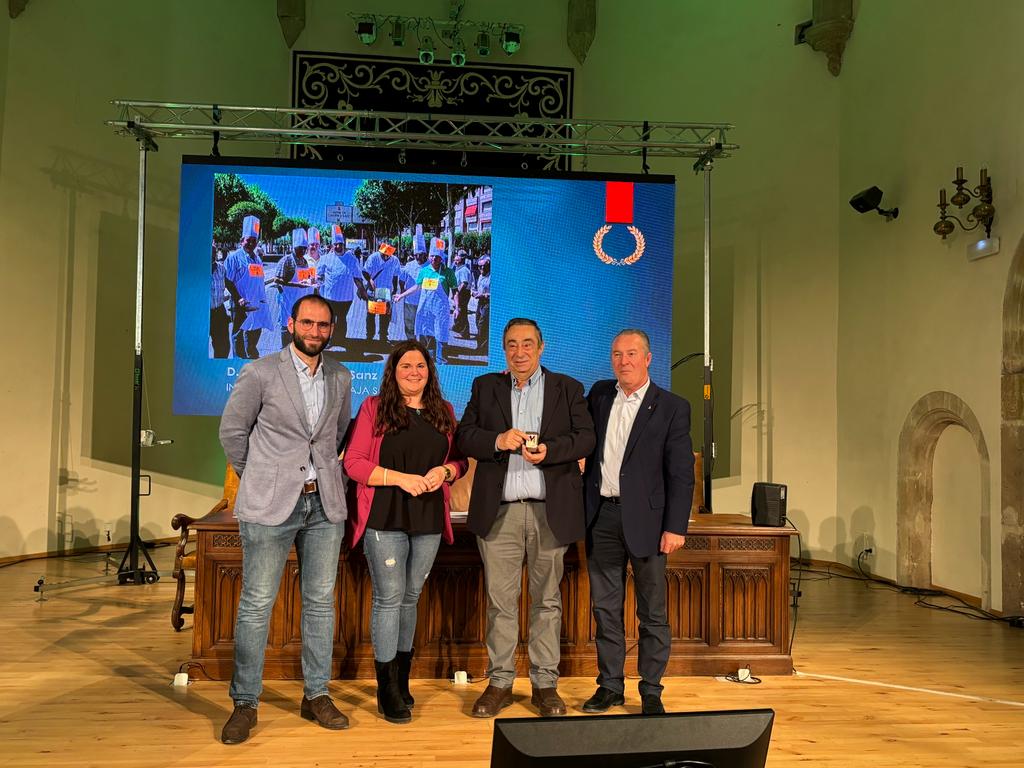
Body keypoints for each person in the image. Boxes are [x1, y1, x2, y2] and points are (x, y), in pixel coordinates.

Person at [217, 294, 354, 744]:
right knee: (257, 605)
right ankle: (245, 702)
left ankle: (316, 695)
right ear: (291, 324)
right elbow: (233, 433)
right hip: (270, 506)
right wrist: (259, 477)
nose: (315, 332)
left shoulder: (341, 376)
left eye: (323, 326)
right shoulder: (260, 372)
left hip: (324, 506)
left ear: (331, 330)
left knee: (319, 603)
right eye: (308, 323)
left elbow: (337, 436)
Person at [455, 318, 595, 718]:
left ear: (541, 347)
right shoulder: (486, 387)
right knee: (501, 603)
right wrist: (497, 441)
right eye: (512, 345)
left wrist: (550, 451)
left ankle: (545, 684)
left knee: (547, 601)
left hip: (550, 513)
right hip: (499, 514)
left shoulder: (567, 388)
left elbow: (586, 437)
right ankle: (499, 682)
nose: (520, 352)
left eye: (527, 344)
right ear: (504, 349)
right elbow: (465, 435)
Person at [343, 340, 468, 724]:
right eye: (405, 366)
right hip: (385, 514)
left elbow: (459, 461)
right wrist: (402, 480)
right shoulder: (373, 408)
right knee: (389, 597)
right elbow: (354, 464)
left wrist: (444, 472)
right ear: (392, 372)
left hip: (429, 515)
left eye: (420, 366)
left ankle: (401, 678)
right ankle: (386, 690)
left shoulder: (444, 411)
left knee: (411, 597)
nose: (414, 372)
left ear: (429, 371)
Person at [581, 329, 694, 716]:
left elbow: (682, 473)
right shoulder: (598, 395)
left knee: (652, 613)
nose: (623, 360)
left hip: (649, 522)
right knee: (605, 609)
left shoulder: (672, 407)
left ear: (648, 359)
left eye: (631, 354)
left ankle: (650, 690)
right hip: (601, 517)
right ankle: (610, 686)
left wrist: (676, 526)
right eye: (617, 354)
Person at [394, 239, 457, 364]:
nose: (434, 259)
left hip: (440, 310)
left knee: (440, 334)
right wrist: (401, 295)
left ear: (441, 258)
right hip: (426, 309)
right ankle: (429, 359)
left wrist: (457, 307)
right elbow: (416, 287)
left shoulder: (448, 272)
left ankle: (441, 360)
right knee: (426, 332)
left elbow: (455, 291)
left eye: (437, 256)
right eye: (432, 256)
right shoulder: (424, 271)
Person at [223, 215, 274, 358]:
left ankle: (250, 355)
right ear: (241, 241)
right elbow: (227, 280)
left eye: (254, 241)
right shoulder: (234, 257)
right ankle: (238, 362)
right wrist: (238, 298)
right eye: (248, 240)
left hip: (257, 302)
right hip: (241, 303)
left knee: (254, 330)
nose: (251, 243)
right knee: (238, 334)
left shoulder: (256, 258)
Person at [318, 225, 365, 350]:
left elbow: (357, 277)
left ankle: (341, 339)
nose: (338, 246)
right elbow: (319, 275)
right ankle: (330, 340)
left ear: (344, 244)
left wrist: (362, 290)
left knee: (342, 318)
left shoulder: (351, 258)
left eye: (340, 244)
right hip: (329, 296)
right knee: (330, 319)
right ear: (332, 245)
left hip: (346, 297)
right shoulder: (325, 258)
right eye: (336, 244)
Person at [275, 228, 316, 348]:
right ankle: (284, 350)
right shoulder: (286, 261)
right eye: (300, 248)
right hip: (288, 299)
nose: (303, 251)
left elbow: (306, 278)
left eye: (304, 248)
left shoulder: (305, 261)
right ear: (294, 247)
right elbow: (277, 280)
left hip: (301, 300)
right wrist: (296, 285)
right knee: (286, 326)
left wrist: (311, 282)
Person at [363, 243, 401, 343]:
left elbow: (395, 276)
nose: (385, 256)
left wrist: (395, 289)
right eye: (383, 254)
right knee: (371, 314)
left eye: (387, 254)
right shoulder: (373, 257)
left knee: (385, 315)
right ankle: (369, 336)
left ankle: (383, 336)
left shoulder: (395, 260)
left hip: (386, 291)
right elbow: (364, 271)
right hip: (373, 290)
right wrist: (370, 280)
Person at [399, 251, 427, 341]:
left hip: (424, 301)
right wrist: (402, 289)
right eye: (416, 255)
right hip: (410, 300)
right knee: (409, 324)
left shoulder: (430, 266)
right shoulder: (409, 265)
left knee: (424, 325)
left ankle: (424, 345)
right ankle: (411, 342)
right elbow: (402, 278)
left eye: (420, 255)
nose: (418, 257)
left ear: (425, 255)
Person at [210, 246, 230, 358]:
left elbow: (229, 284)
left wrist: (239, 298)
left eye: (213, 252)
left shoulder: (221, 269)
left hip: (219, 312)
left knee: (223, 347)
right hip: (201, 314)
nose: (211, 255)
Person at [452, 252, 473, 337]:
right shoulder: (459, 269)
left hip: (463, 293)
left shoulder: (463, 270)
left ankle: (464, 332)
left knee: (462, 312)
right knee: (460, 311)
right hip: (460, 292)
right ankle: (459, 328)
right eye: (455, 260)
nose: (455, 262)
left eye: (457, 260)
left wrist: (457, 293)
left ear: (462, 260)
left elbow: (464, 284)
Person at [473, 256, 491, 351]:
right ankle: (483, 343)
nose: (482, 268)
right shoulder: (480, 276)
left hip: (488, 302)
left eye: (484, 266)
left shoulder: (491, 277)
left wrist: (484, 295)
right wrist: (474, 292)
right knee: (477, 321)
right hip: (480, 302)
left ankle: (481, 347)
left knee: (482, 323)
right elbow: (476, 288)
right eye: (480, 266)